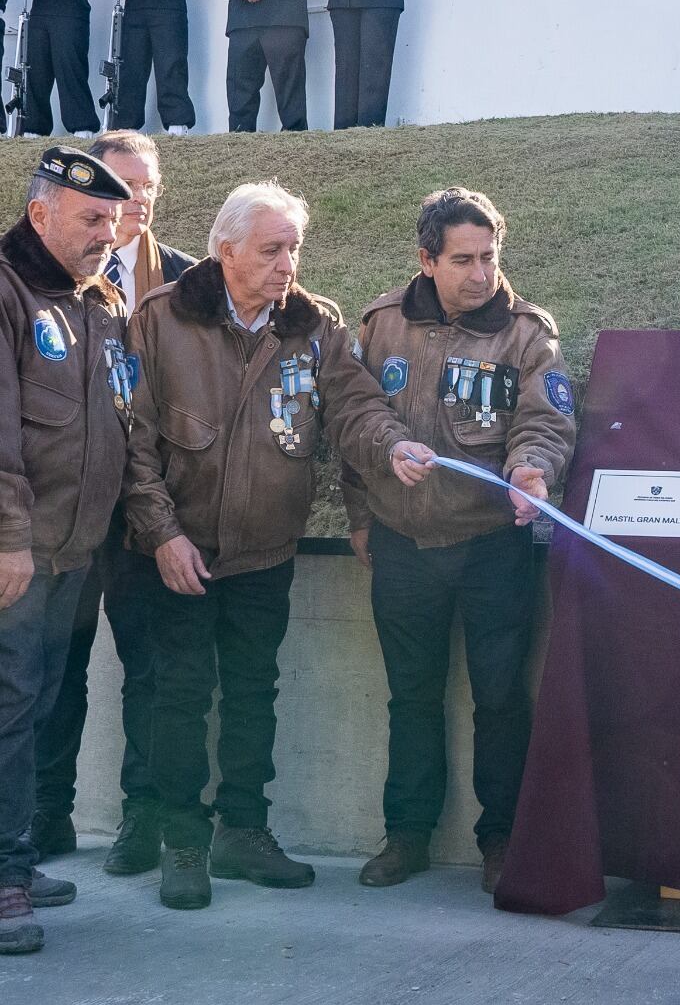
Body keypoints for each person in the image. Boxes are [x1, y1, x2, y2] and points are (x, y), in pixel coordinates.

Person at [123, 181, 435, 911]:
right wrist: (162, 535)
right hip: (177, 551)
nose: (286, 264)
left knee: (253, 693)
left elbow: (356, 406)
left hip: (265, 551)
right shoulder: (160, 318)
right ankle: (182, 843)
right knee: (179, 698)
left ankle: (244, 831)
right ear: (224, 250)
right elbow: (131, 440)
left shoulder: (313, 326)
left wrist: (391, 447)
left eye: (293, 248)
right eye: (271, 250)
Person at [343, 187, 575, 895]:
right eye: (463, 260)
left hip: (489, 548)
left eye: (490, 257)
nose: (481, 274)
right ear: (426, 259)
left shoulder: (528, 333)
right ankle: (407, 835)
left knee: (501, 698)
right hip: (402, 544)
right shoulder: (382, 323)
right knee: (411, 696)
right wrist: (366, 504)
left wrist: (530, 468)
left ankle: (502, 838)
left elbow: (548, 418)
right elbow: (353, 420)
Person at [28, 131, 196, 878]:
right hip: (64, 513)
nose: (132, 201)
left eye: (145, 186)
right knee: (53, 669)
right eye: (119, 184)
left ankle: (142, 819)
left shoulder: (189, 280)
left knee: (150, 670)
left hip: (143, 517)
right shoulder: (45, 281)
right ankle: (45, 815)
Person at [0, 147, 131, 953]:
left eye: (113, 223)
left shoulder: (100, 301)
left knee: (33, 706)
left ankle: (13, 858)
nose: (105, 236)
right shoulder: (7, 291)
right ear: (40, 212)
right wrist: (8, 539)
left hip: (72, 554)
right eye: (90, 218)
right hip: (18, 554)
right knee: (9, 711)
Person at [111, 0, 196, 135]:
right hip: (135, 6)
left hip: (169, 4)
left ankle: (177, 121)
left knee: (170, 63)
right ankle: (127, 124)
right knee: (132, 66)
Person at [224, 0, 308, 133]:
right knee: (239, 116)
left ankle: (296, 150)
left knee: (292, 116)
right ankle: (239, 150)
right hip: (242, 18)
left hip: (285, 14)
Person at [21, 0, 97, 139]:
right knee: (36, 71)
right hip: (39, 9)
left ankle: (82, 126)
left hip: (70, 8)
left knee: (70, 69)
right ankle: (34, 127)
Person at [328, 0, 402, 130]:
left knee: (373, 77)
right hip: (343, 3)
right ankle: (342, 145)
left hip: (381, 3)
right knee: (345, 79)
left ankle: (369, 145)